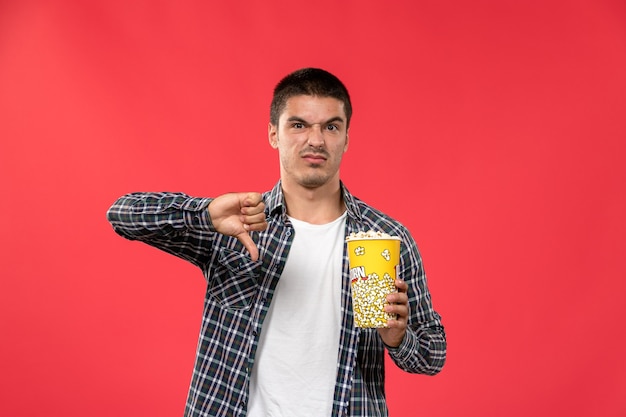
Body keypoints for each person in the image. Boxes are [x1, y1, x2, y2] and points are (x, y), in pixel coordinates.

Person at [107, 67, 446, 417]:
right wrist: (203, 213)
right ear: (274, 133)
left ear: (346, 138)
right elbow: (122, 216)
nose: (316, 140)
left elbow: (433, 355)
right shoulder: (239, 223)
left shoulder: (386, 237)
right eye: (298, 125)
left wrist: (397, 338)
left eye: (331, 126)